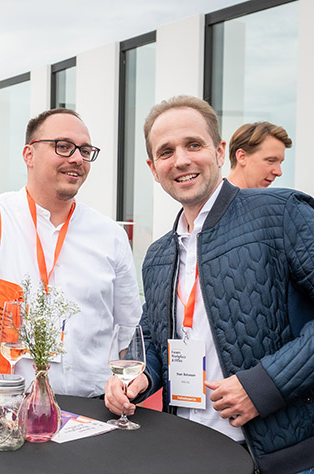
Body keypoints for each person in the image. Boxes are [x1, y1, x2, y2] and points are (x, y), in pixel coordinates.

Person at [104, 95, 314, 474]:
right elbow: (154, 339)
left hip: (283, 459)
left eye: (193, 145)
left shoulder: (282, 213)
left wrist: (264, 386)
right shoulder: (158, 254)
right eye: (166, 152)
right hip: (188, 450)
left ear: (219, 152)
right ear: (153, 169)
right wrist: (140, 378)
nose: (181, 160)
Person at [0, 108, 142, 396]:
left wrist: (125, 387)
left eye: (85, 151)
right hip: (8, 401)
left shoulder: (110, 235)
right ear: (29, 155)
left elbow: (128, 330)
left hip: (92, 406)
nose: (77, 159)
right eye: (63, 146)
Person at [226, 121, 292, 189]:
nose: (279, 172)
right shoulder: (219, 195)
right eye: (271, 161)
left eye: (280, 163)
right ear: (242, 157)